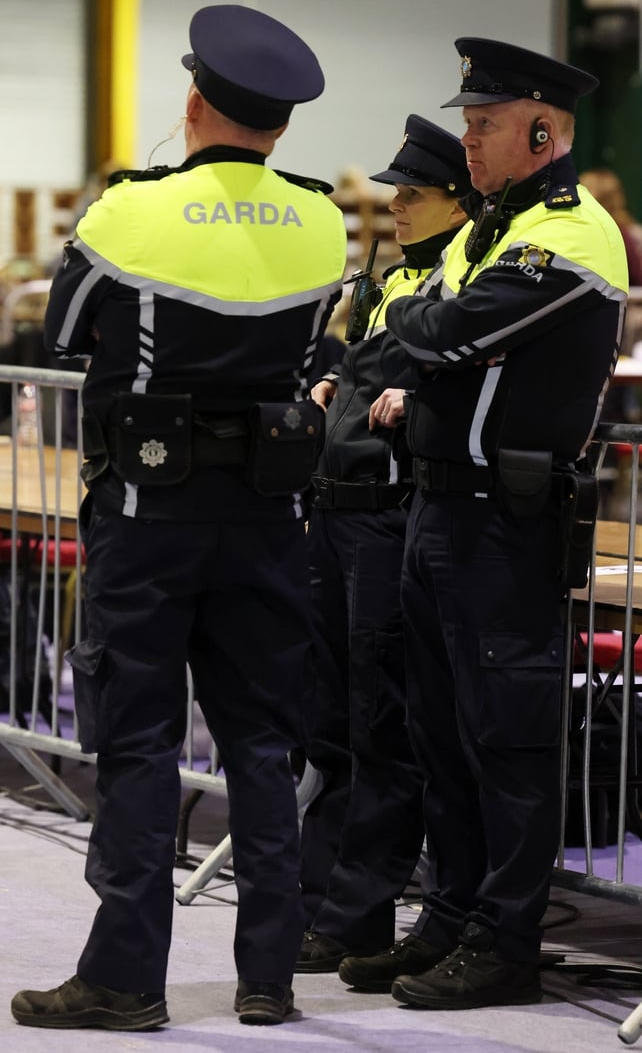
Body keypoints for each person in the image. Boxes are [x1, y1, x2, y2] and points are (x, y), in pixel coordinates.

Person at [11, 3, 346, 1030]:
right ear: (280, 128)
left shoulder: (128, 214)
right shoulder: (322, 218)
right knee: (261, 745)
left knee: (140, 743)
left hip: (146, 513)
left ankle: (123, 978)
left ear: (194, 103)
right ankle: (268, 980)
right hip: (266, 515)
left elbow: (62, 334)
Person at [337, 37, 628, 1009]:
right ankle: (452, 918)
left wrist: (425, 333)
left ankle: (505, 941)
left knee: (505, 738)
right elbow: (396, 331)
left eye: (486, 124)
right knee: (440, 731)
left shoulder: (573, 231)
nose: (468, 141)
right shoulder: (483, 232)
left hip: (507, 520)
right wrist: (423, 333)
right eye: (465, 123)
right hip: (436, 505)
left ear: (544, 128)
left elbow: (441, 330)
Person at [295, 117, 471, 973]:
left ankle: (358, 911)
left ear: (457, 203)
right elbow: (350, 360)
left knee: (378, 724)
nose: (395, 205)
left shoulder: (463, 280)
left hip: (387, 515)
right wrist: (337, 372)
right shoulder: (391, 278)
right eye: (395, 192)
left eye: (414, 194)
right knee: (327, 720)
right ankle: (318, 898)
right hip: (334, 509)